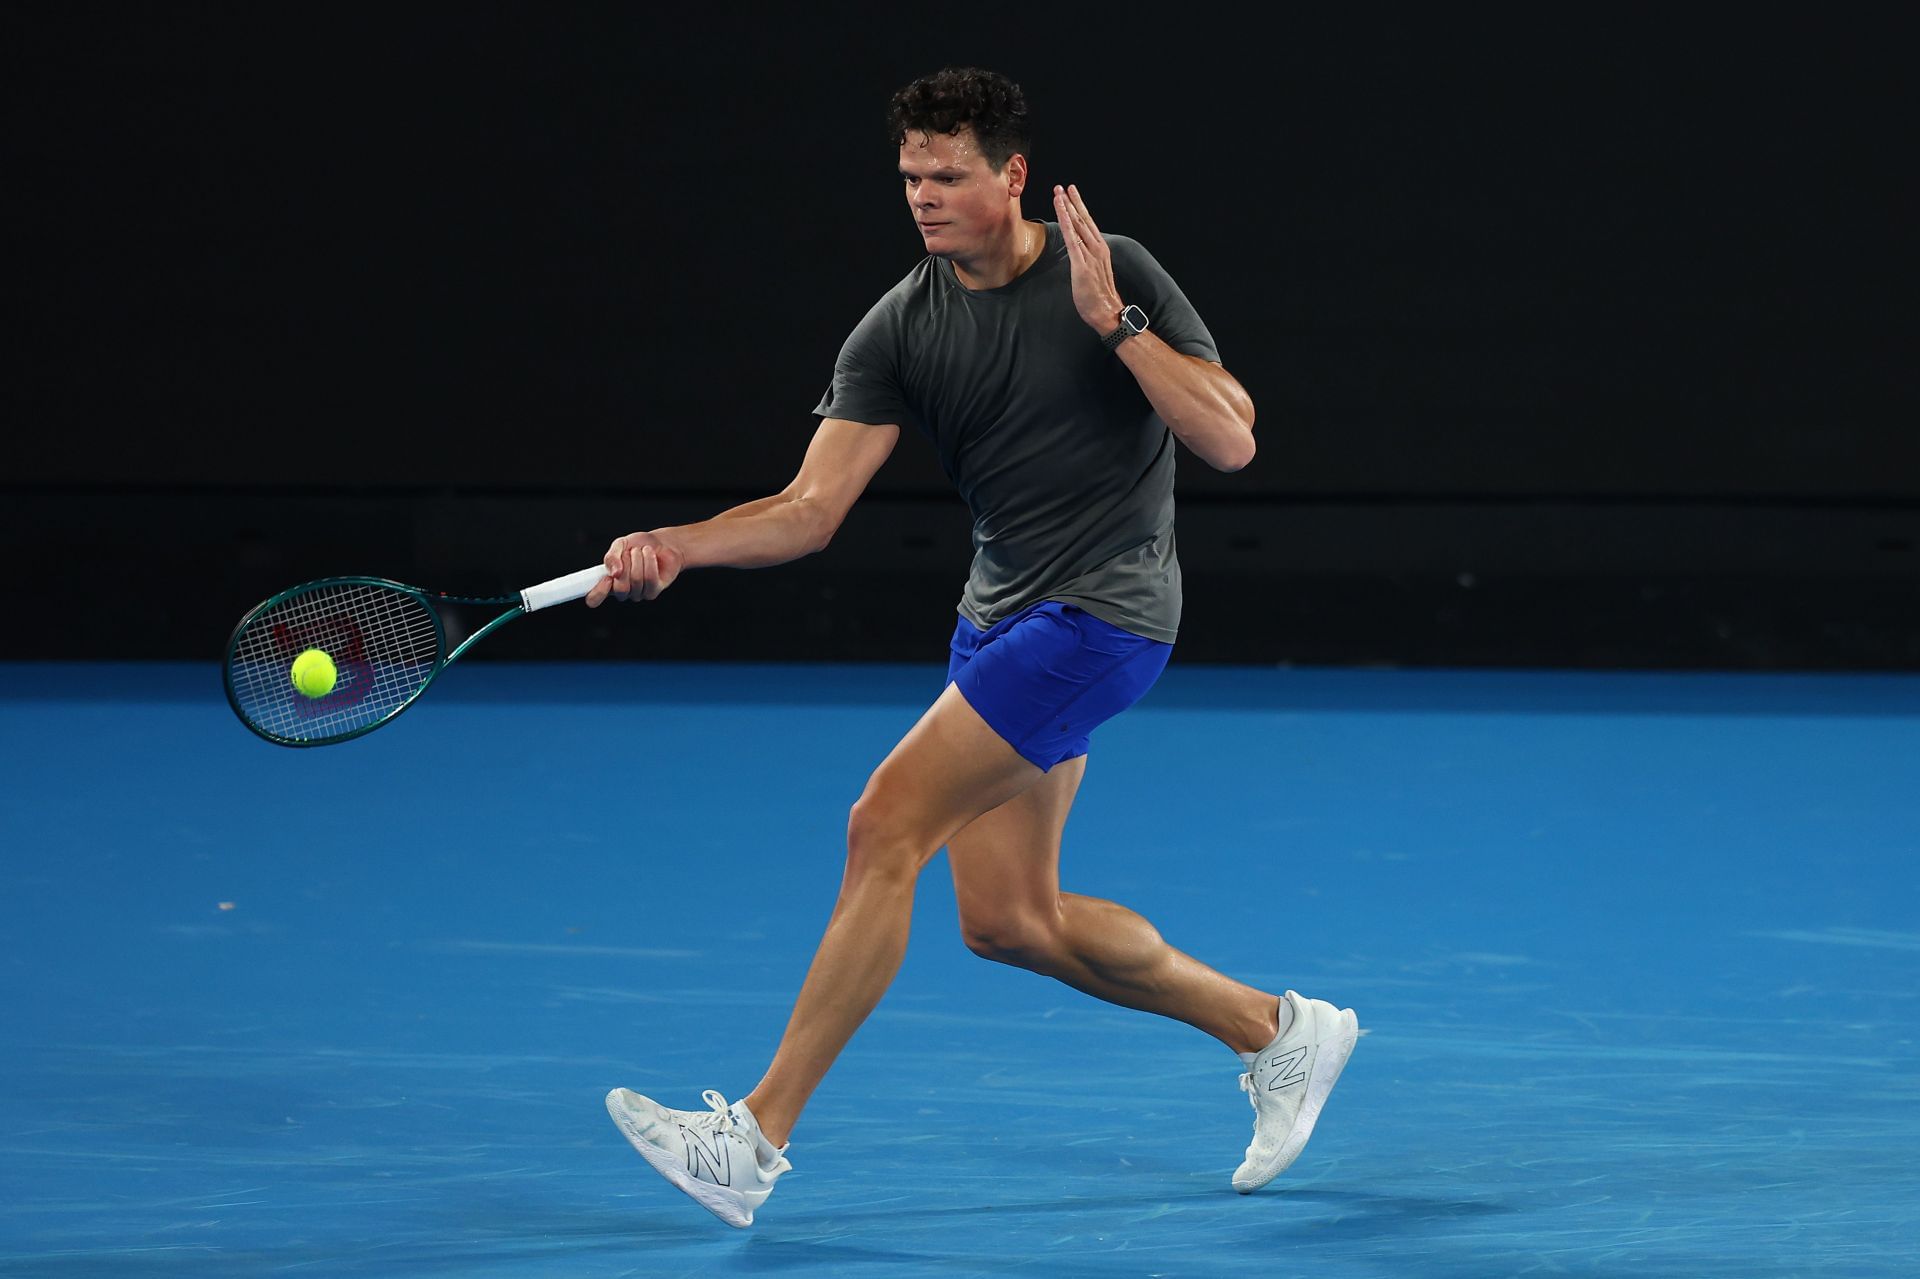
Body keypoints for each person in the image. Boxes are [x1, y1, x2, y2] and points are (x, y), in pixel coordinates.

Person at [587, 66, 1358, 1228]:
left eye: (949, 175)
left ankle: (752, 1138)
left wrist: (1120, 328)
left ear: (1012, 176)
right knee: (1010, 923)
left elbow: (1231, 439)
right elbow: (807, 509)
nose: (924, 196)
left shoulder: (1114, 270)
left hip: (1103, 618)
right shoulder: (900, 325)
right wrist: (678, 545)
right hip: (996, 625)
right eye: (909, 177)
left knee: (882, 823)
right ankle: (1276, 1031)